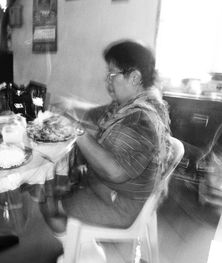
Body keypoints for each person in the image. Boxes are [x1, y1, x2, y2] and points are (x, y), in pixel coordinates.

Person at [41, 40, 173, 234]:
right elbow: (97, 113)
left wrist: (76, 129)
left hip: (120, 204)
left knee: (48, 201)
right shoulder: (131, 104)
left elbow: (114, 172)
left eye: (113, 74)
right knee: (60, 178)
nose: (107, 81)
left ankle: (71, 247)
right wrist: (71, 105)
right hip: (114, 192)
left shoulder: (141, 119)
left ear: (135, 77)